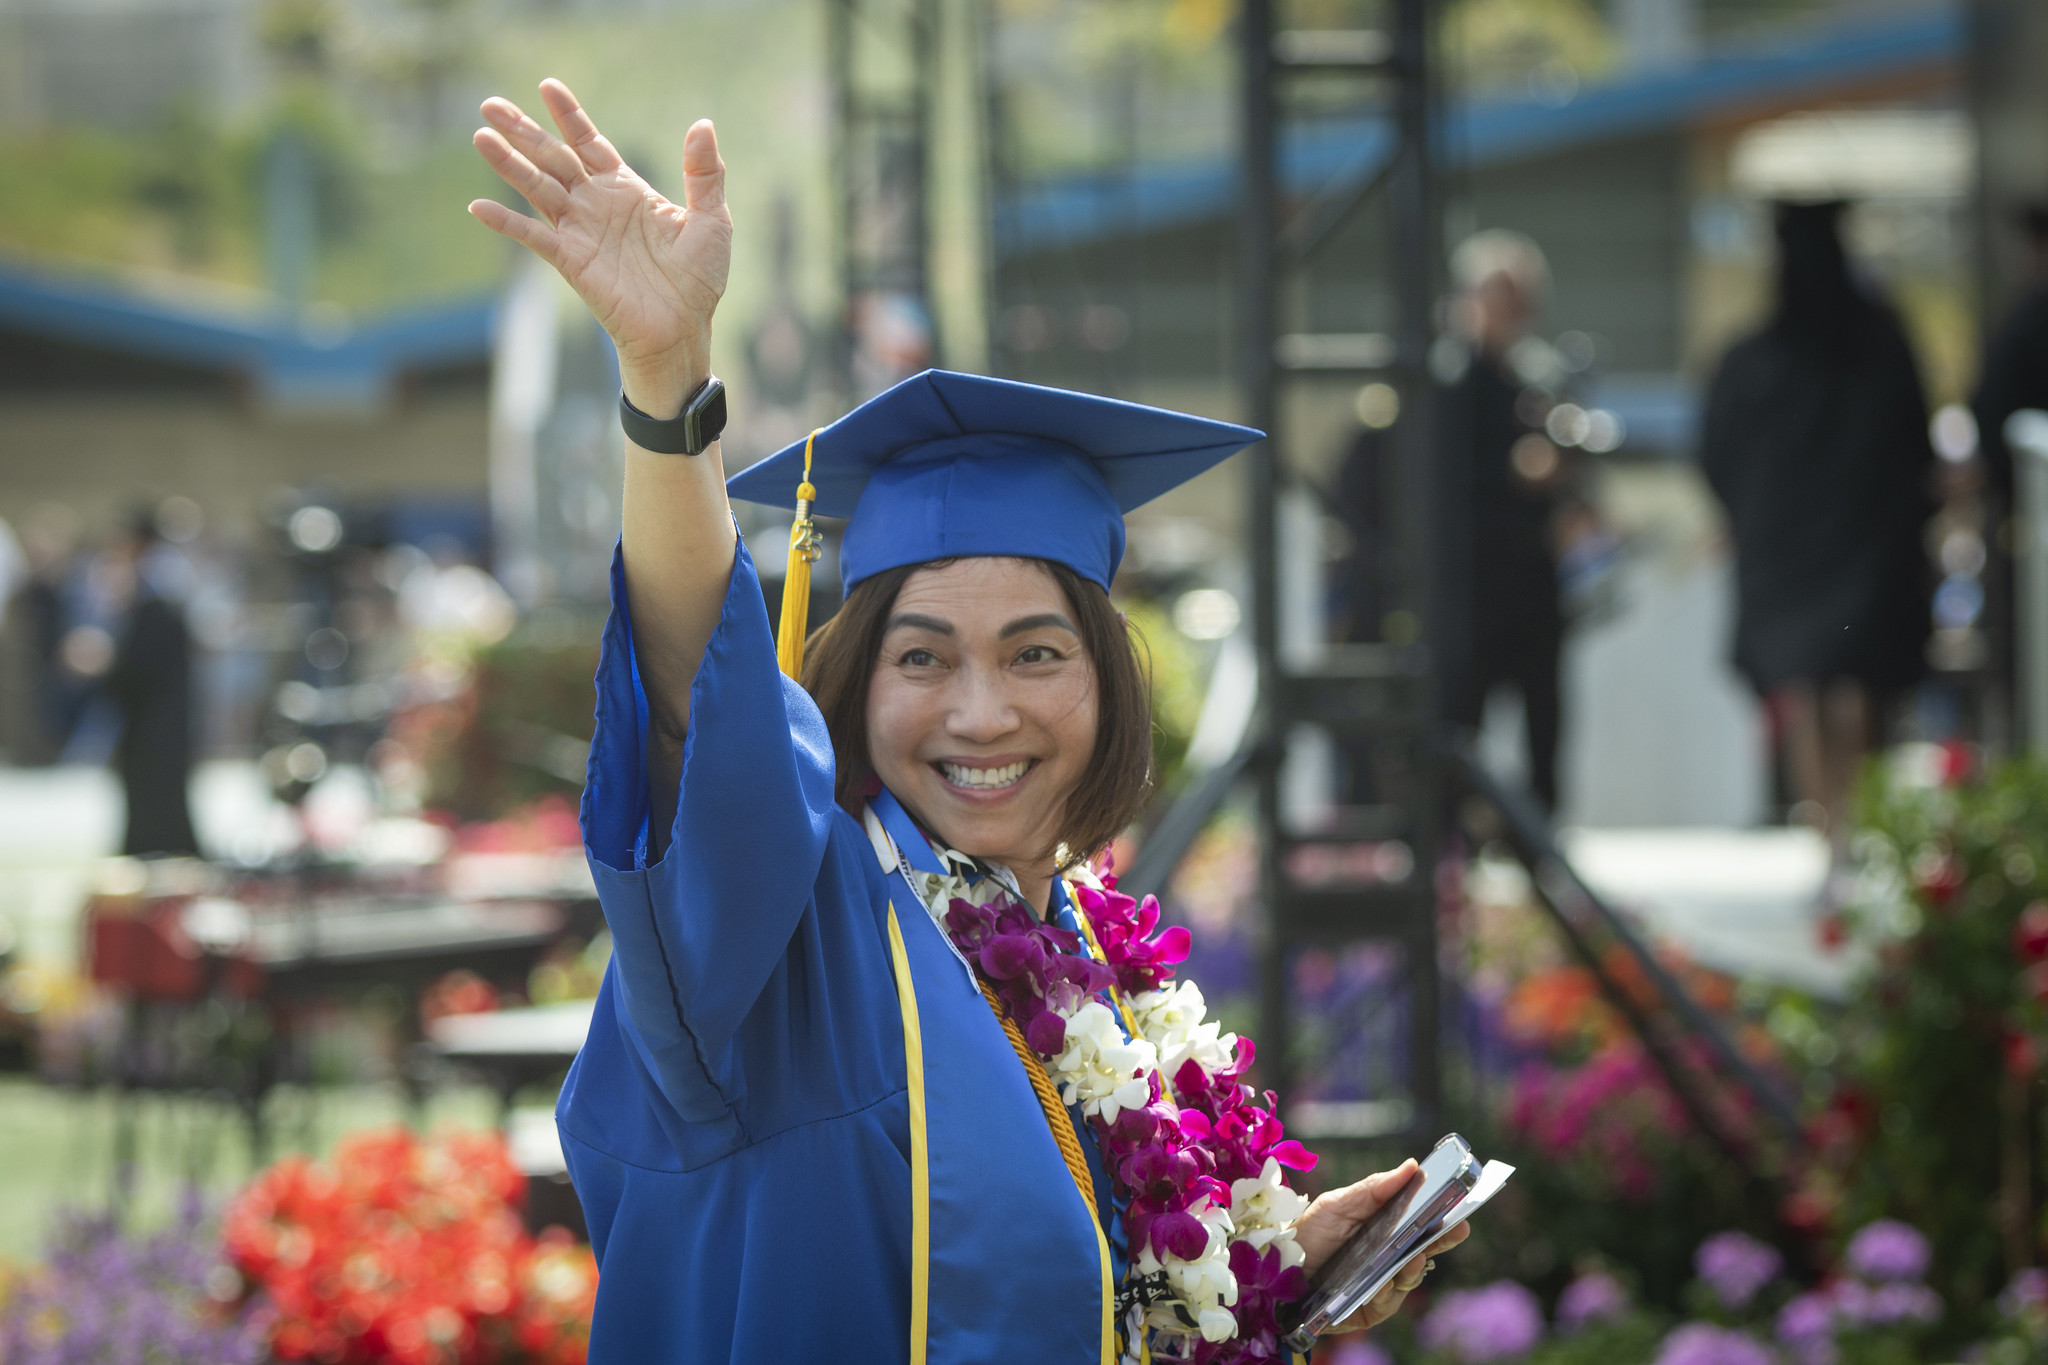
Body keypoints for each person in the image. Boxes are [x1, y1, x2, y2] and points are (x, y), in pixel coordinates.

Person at [467, 79, 1466, 1363]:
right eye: (922, 657)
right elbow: (689, 706)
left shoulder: (1072, 947)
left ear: (1109, 681)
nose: (981, 711)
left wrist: (1262, 1277)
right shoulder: (790, 926)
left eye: (1036, 653)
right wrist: (668, 384)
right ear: (852, 682)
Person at [1699, 201, 1933, 843]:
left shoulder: (1751, 360)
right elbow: (1917, 448)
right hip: (1866, 546)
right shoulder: (1882, 347)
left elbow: (1715, 457)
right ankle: (1852, 835)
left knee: (1806, 688)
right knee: (1855, 685)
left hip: (1788, 556)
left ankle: (1826, 830)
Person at [1435, 230, 1569, 811]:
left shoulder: (1540, 380)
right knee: (1461, 729)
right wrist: (1514, 469)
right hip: (1468, 587)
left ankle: (1543, 842)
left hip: (1533, 586)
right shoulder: (1445, 382)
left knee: (1547, 726)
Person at [104, 510, 200, 857]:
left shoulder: (157, 579)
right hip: (154, 714)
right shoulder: (154, 578)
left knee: (159, 802)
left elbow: (145, 654)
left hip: (158, 714)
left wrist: (104, 666)